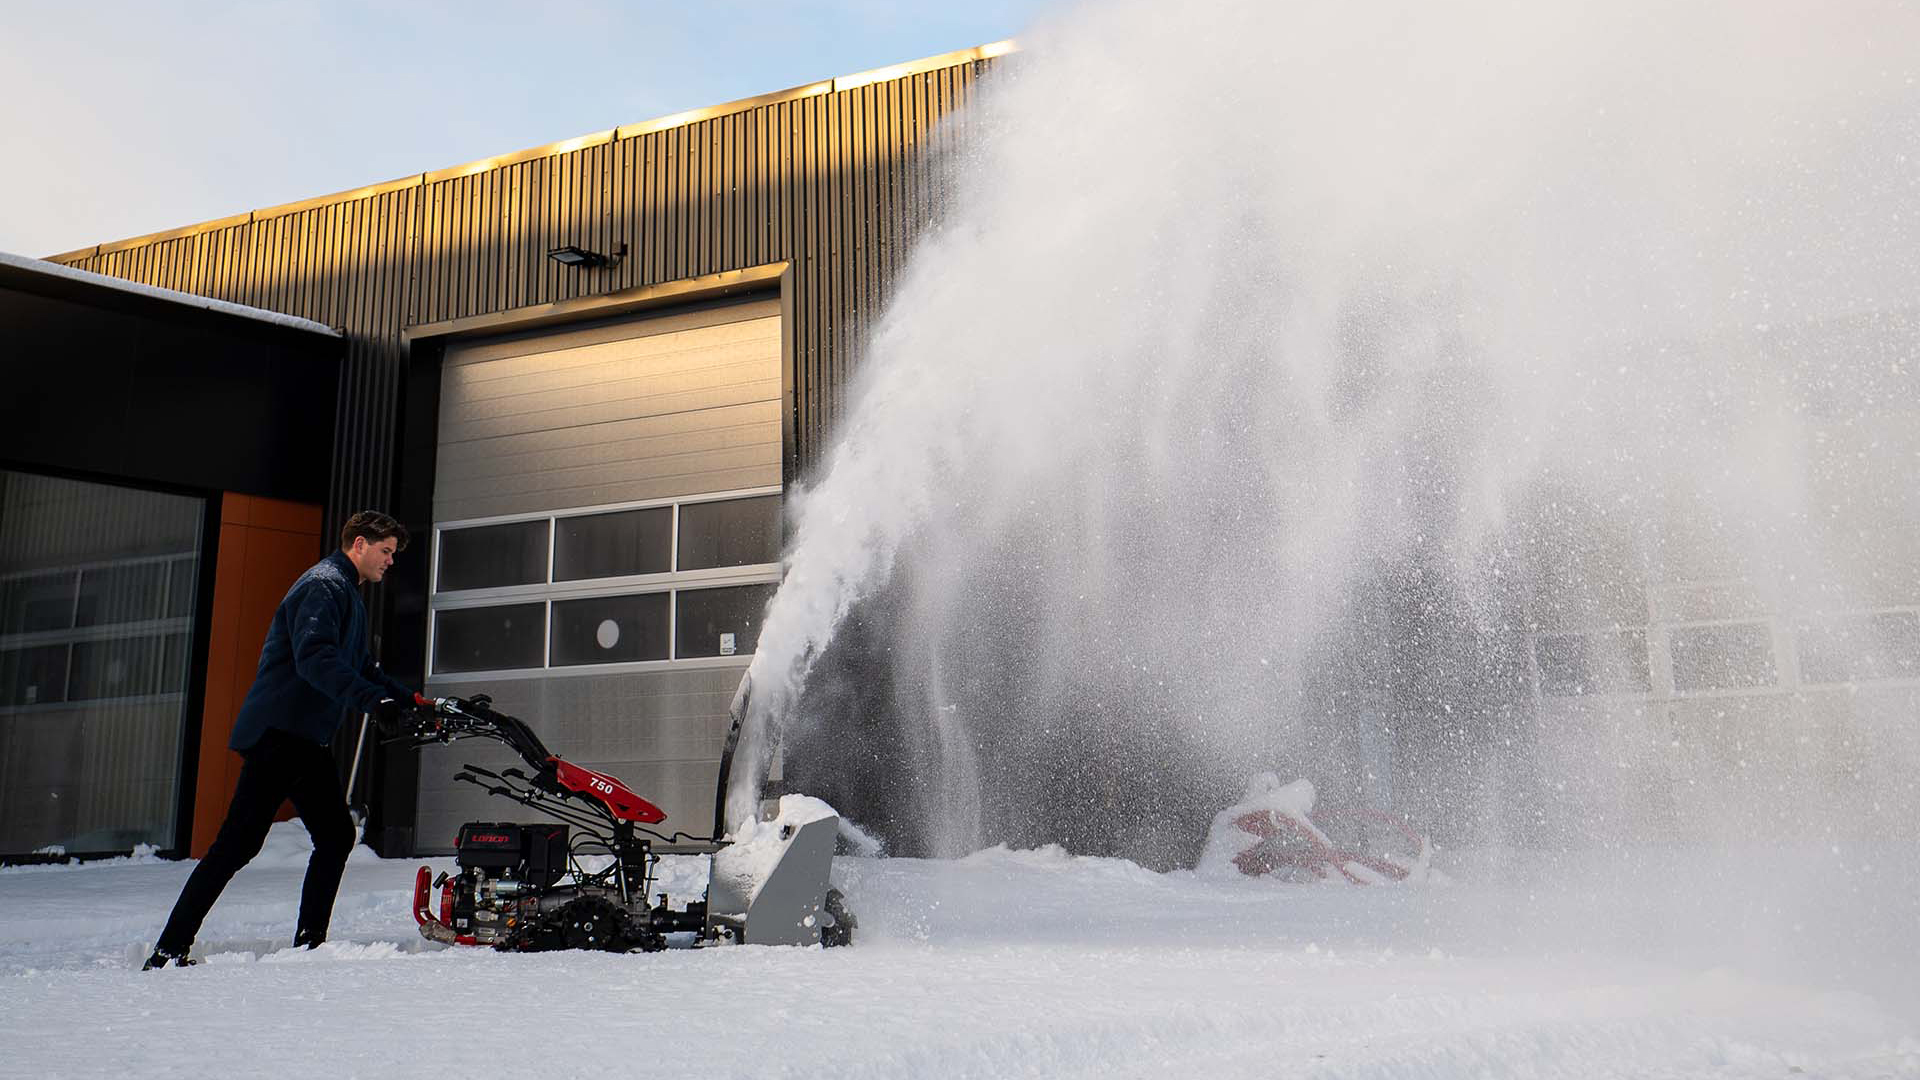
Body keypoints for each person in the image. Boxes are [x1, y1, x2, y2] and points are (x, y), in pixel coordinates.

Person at [143, 511, 422, 969]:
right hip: (279, 735)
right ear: (358, 544)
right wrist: (375, 703)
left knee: (334, 836)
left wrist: (409, 701)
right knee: (237, 846)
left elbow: (361, 666)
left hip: (303, 739)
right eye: (386, 551)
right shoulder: (322, 586)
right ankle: (169, 950)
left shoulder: (346, 593)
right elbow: (316, 660)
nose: (390, 561)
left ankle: (310, 946)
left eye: (393, 553)